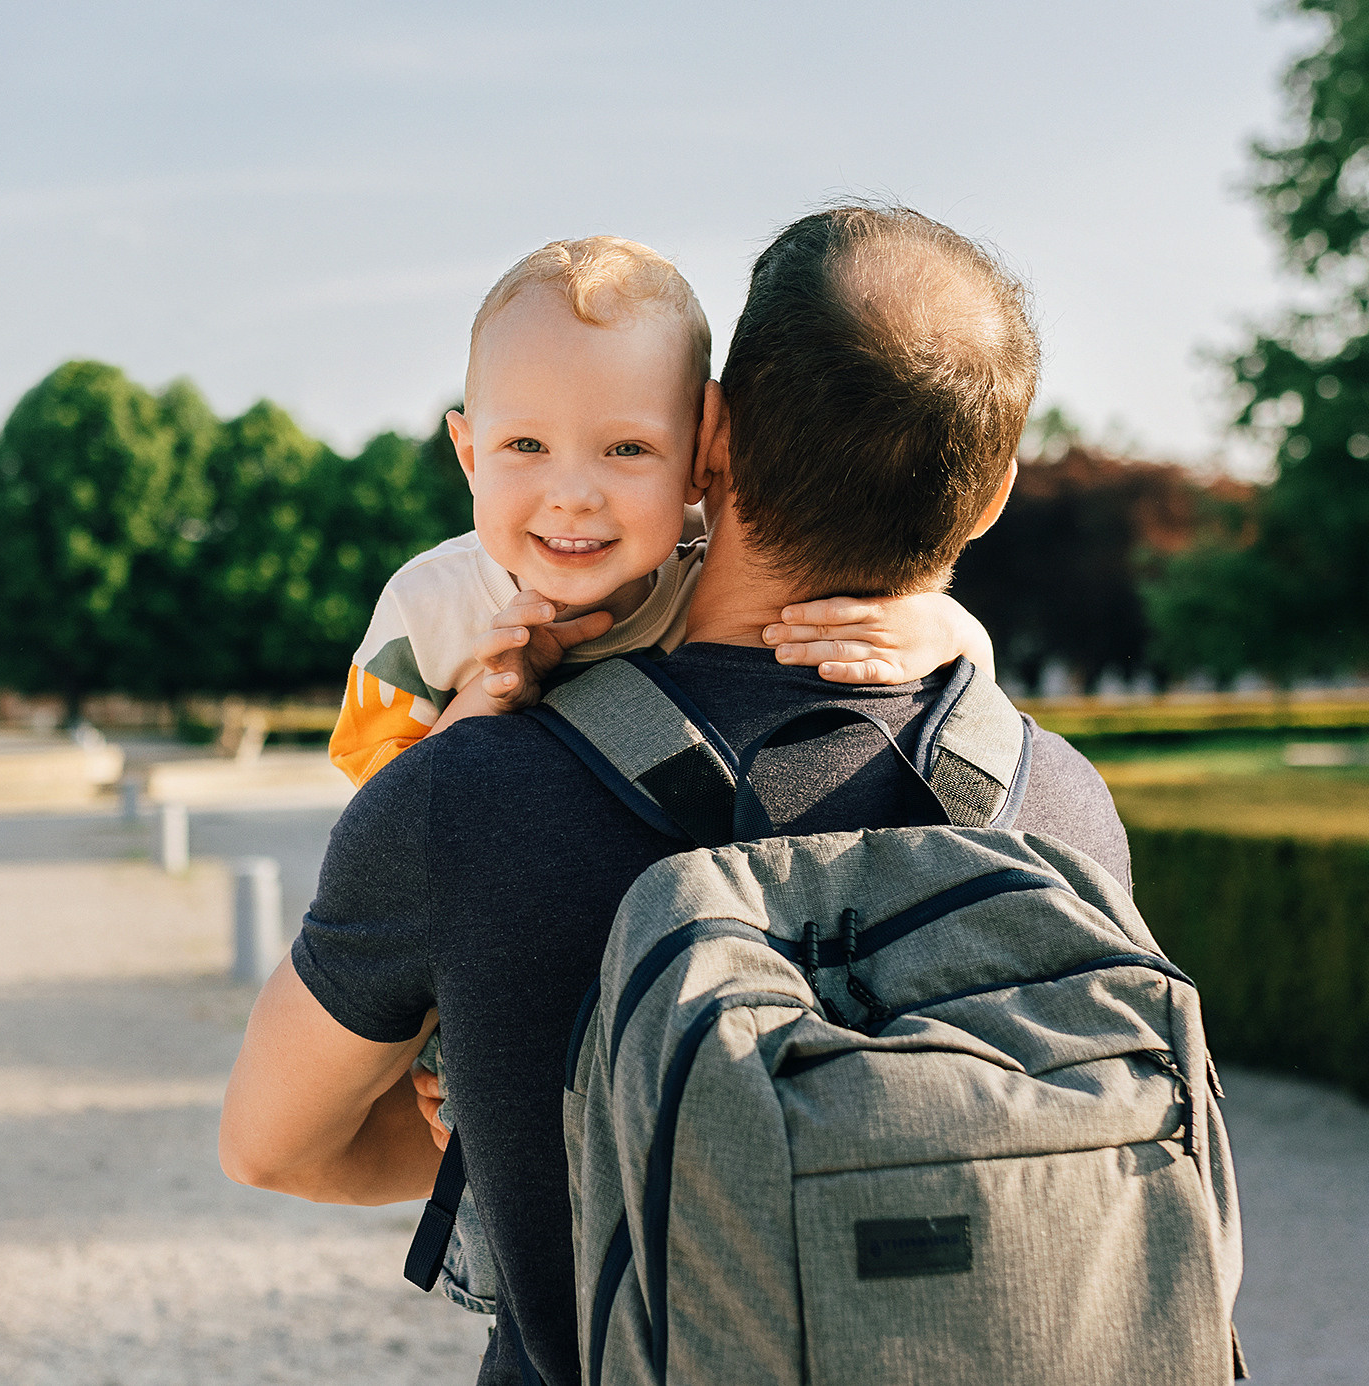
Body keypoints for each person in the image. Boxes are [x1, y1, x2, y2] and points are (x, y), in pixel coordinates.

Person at [219, 204, 1132, 1386]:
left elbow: (271, 1145)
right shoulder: (1058, 807)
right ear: (994, 492)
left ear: (710, 437)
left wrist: (511, 1125)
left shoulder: (471, 785)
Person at [326, 235, 995, 789]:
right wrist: (486, 702)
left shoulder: (718, 589)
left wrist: (942, 630)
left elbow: (959, 685)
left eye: (626, 448)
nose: (573, 494)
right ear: (469, 455)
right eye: (525, 445)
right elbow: (378, 833)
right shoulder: (426, 611)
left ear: (702, 452)